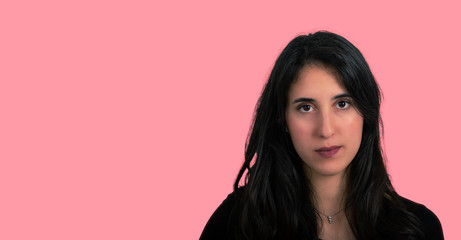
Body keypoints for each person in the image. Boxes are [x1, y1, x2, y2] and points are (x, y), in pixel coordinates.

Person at [200, 31, 444, 240]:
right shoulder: (236, 223)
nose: (326, 130)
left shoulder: (419, 228)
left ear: (365, 113)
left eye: (342, 104)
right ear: (283, 120)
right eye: (306, 108)